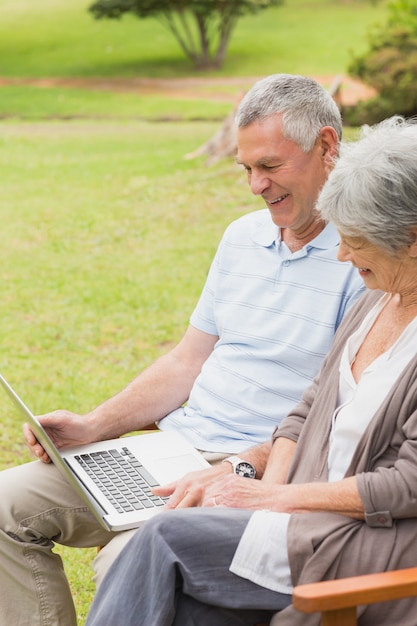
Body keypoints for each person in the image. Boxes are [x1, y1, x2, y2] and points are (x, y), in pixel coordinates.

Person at [0, 74, 365, 626]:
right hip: (171, 451)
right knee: (5, 505)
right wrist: (95, 425)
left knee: (128, 560)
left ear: (328, 147)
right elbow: (187, 360)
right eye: (246, 169)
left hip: (249, 469)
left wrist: (243, 469)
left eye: (270, 166)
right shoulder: (242, 237)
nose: (254, 186)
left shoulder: (364, 259)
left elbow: (334, 417)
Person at [85, 115, 417, 626]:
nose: (344, 255)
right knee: (190, 613)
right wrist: (267, 500)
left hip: (362, 539)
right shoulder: (377, 300)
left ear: (412, 238)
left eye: (357, 240)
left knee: (163, 538)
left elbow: (406, 486)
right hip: (302, 516)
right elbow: (305, 410)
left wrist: (275, 498)